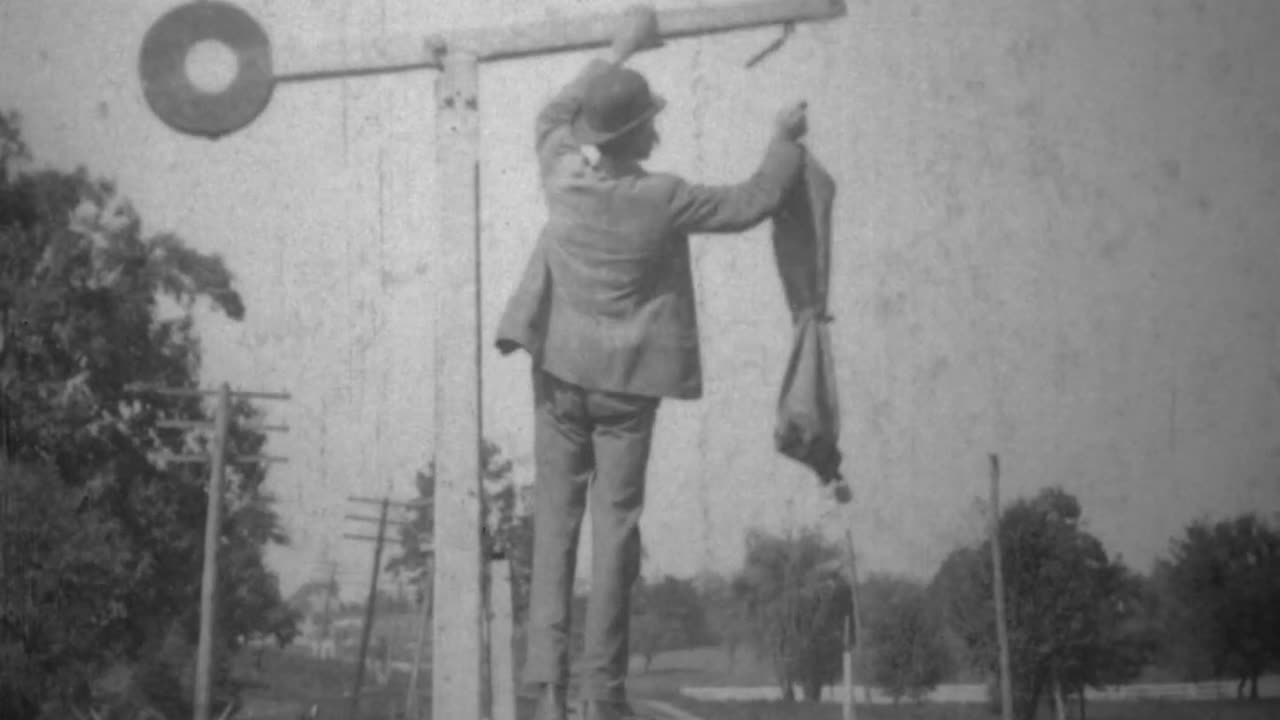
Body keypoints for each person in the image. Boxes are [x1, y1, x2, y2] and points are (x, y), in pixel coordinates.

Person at [494, 6, 809, 720]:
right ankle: (603, 694)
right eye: (650, 123)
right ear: (634, 135)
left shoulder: (563, 176)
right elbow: (756, 199)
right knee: (615, 537)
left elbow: (551, 115)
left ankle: (544, 688)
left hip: (560, 382)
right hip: (628, 391)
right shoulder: (664, 198)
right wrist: (782, 137)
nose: (659, 131)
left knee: (554, 528)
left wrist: (619, 49)